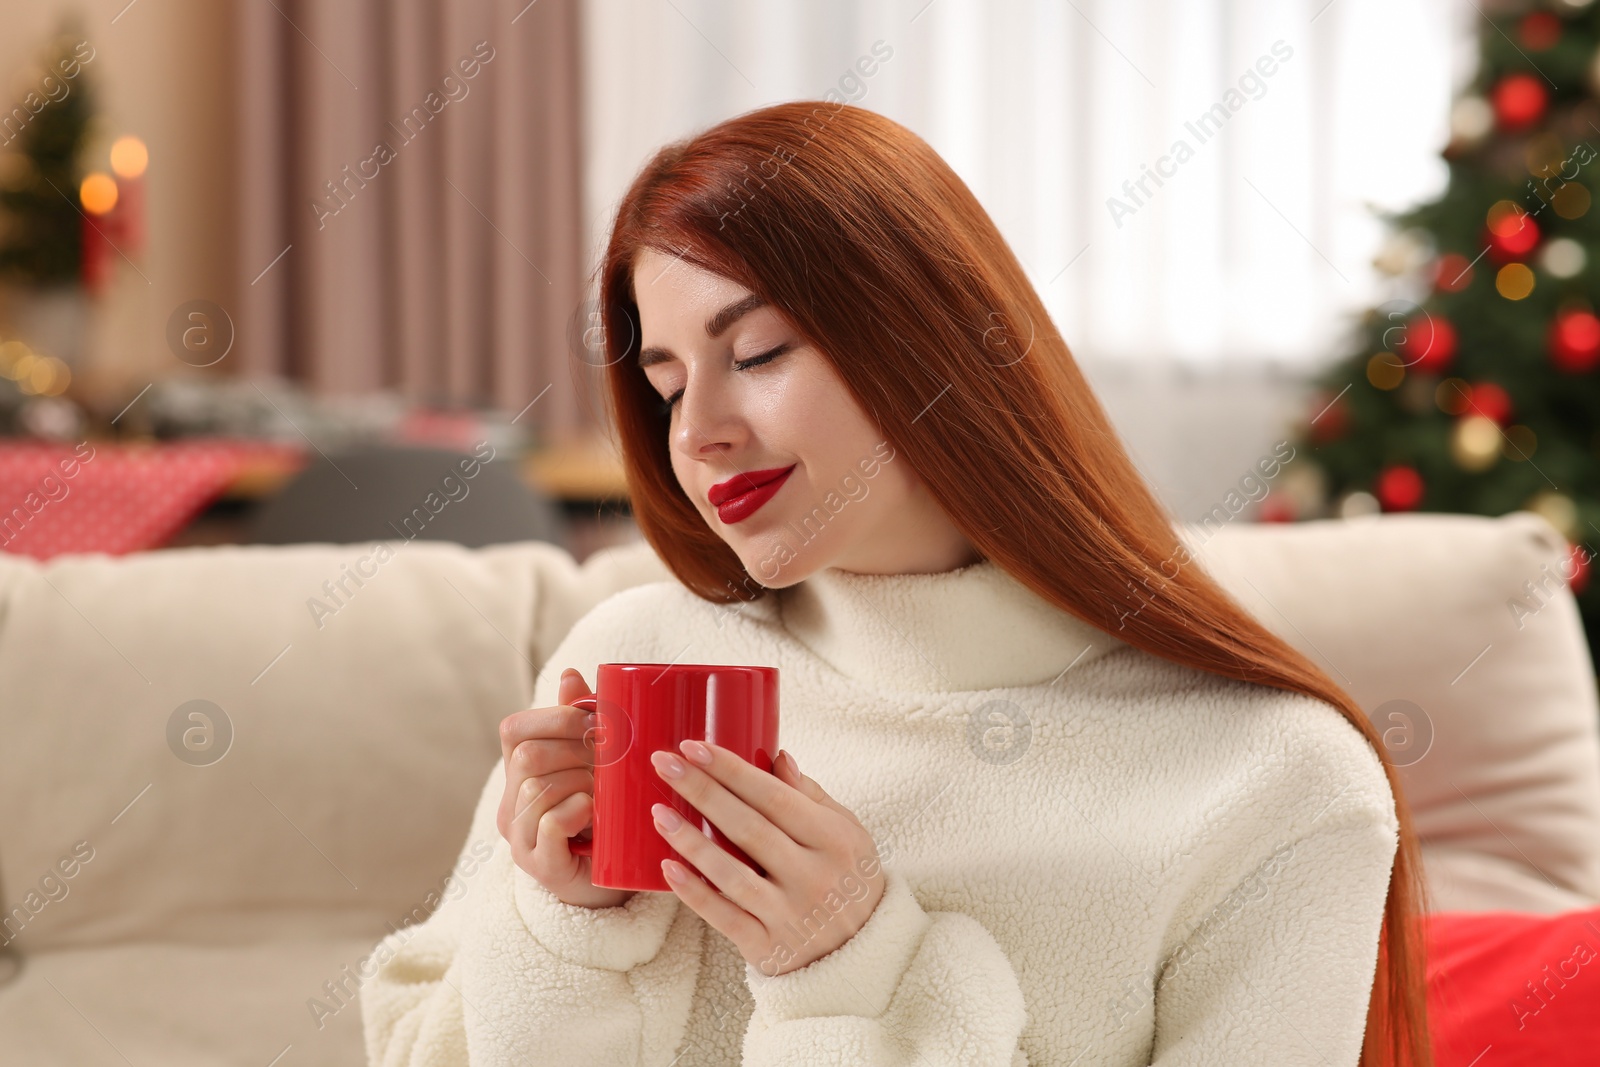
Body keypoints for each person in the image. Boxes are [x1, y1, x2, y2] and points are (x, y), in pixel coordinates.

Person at [361, 101, 1432, 1067]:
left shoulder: (1279, 783)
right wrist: (566, 925)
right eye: (666, 381)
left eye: (762, 350)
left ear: (928, 344)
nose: (697, 433)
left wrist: (850, 974)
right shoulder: (629, 654)